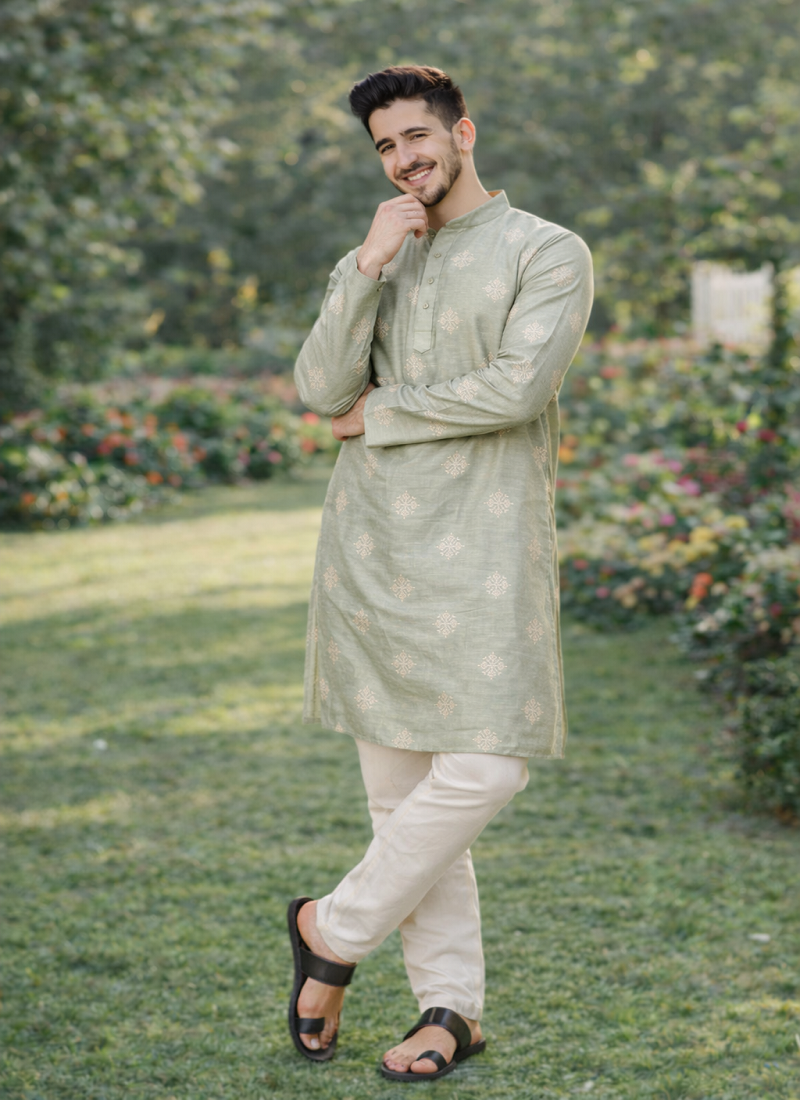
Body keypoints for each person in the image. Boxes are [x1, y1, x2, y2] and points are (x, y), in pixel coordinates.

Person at [289, 64, 593, 1082]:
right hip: (372, 550)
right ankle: (448, 1012)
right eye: (384, 145)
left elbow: (517, 388)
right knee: (401, 804)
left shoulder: (544, 250)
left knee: (485, 767)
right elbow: (318, 387)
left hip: (488, 547)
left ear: (463, 132)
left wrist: (378, 412)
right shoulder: (382, 254)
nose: (402, 158)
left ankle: (331, 927)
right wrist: (367, 264)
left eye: (416, 135)